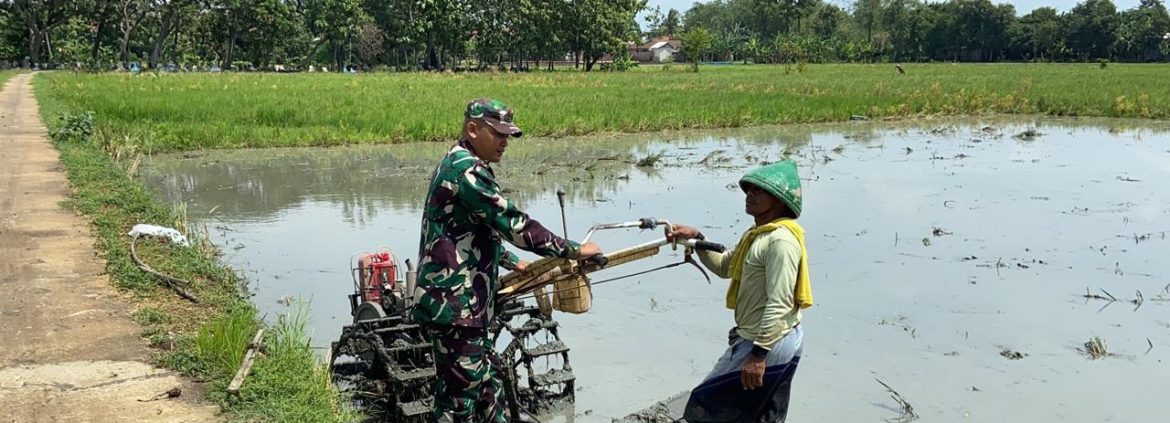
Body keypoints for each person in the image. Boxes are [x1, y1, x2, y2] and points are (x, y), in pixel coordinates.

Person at [413, 98, 602, 423]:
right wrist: (572, 249)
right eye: (497, 133)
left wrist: (518, 265)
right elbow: (513, 224)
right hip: (457, 310)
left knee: (492, 397)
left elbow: (476, 237)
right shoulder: (467, 171)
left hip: (467, 311)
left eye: (508, 135)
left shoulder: (460, 162)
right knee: (456, 409)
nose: (504, 142)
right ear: (473, 129)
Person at [668, 160, 813, 423]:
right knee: (763, 416)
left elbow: (779, 303)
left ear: (780, 200)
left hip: (766, 342)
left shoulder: (780, 241)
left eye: (758, 191)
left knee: (705, 408)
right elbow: (725, 266)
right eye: (748, 190)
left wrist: (758, 355)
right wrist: (697, 238)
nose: (749, 196)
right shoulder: (758, 235)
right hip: (778, 337)